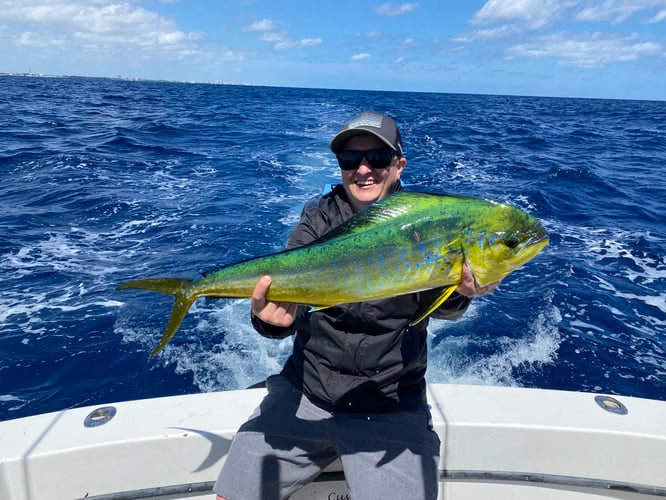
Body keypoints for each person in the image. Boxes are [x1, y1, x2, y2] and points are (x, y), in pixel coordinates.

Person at [214, 112, 499, 500]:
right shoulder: (318, 216)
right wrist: (273, 323)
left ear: (399, 165)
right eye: (350, 160)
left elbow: (438, 308)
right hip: (306, 392)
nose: (363, 170)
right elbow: (286, 300)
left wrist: (462, 292)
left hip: (390, 405)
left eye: (377, 159)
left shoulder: (426, 225)